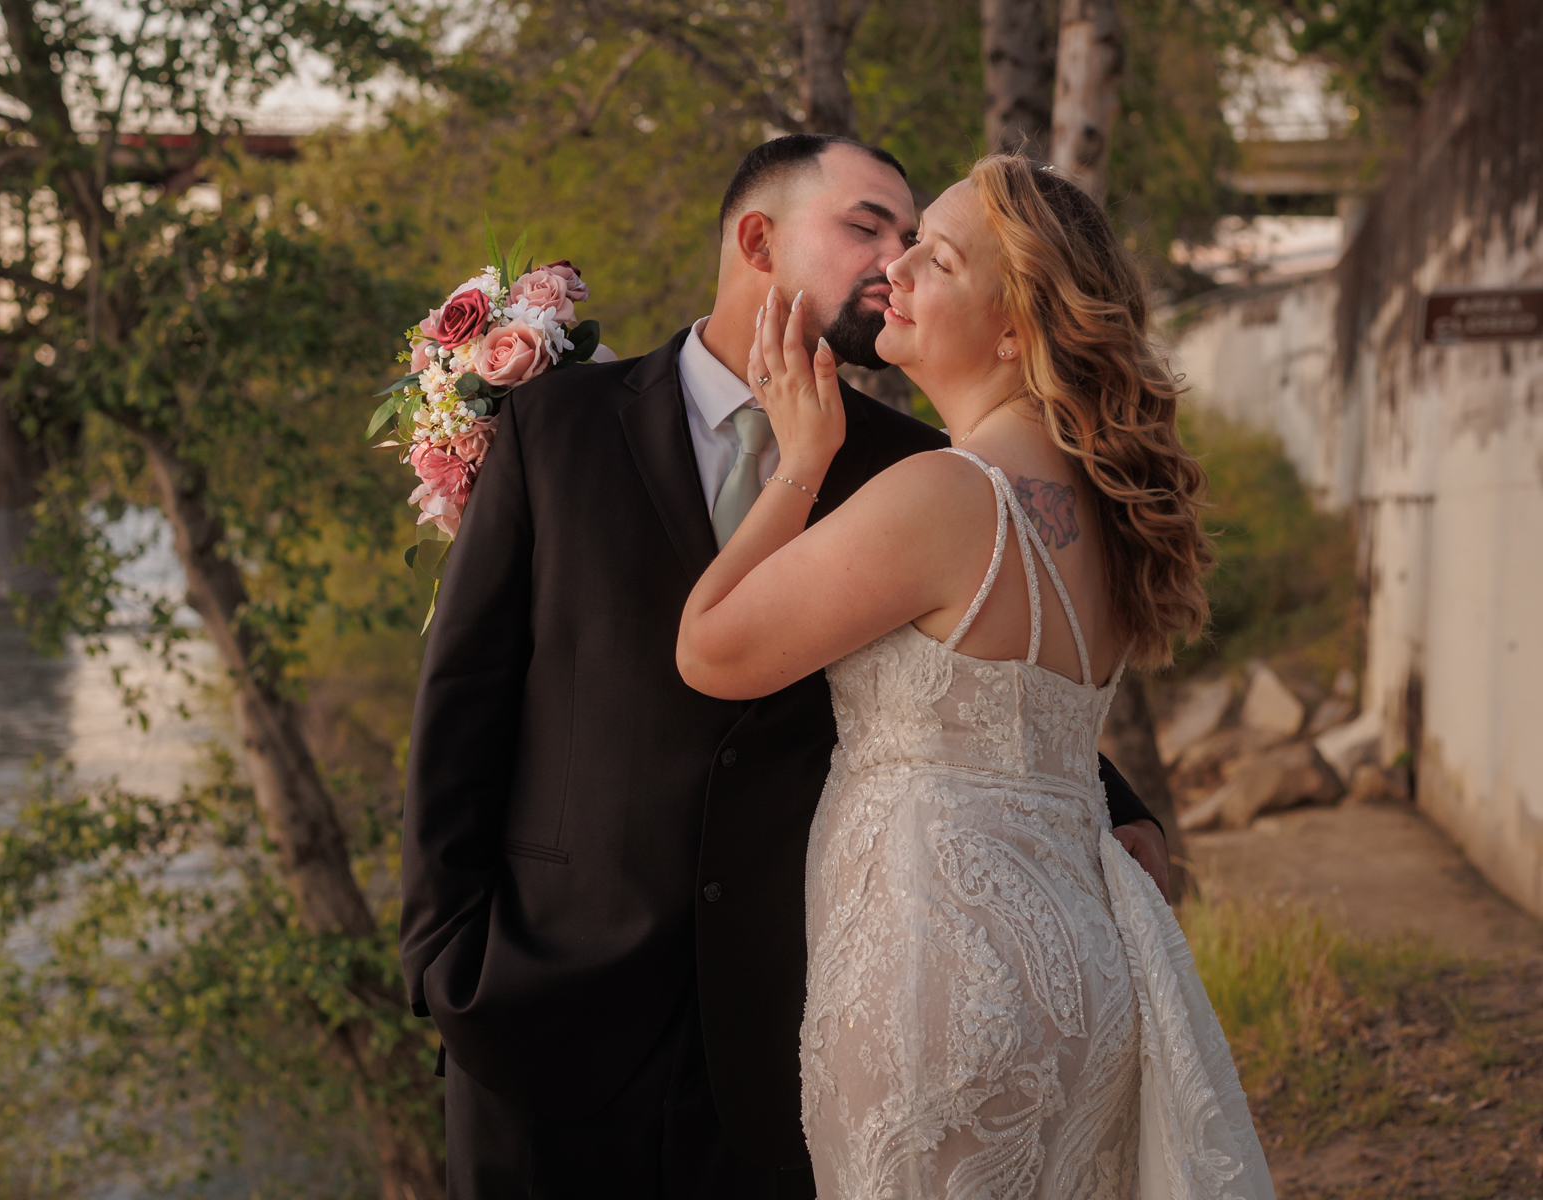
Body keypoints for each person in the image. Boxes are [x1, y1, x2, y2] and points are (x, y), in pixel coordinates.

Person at [399, 135, 1171, 1200]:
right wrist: (442, 964)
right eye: (868, 226)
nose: (892, 260)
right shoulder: (559, 423)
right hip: (546, 1018)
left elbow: (998, 675)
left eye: (917, 243)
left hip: (790, 1031)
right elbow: (464, 699)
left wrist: (1123, 809)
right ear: (757, 240)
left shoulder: (918, 465)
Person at [676, 154, 1275, 1199]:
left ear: (1014, 328)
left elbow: (713, 650)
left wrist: (803, 460)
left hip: (936, 983)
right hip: (1082, 968)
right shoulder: (1100, 509)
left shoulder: (948, 496)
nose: (894, 271)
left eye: (935, 258)